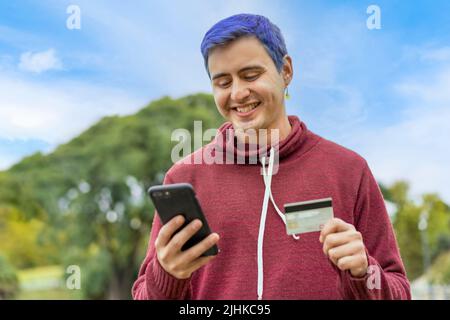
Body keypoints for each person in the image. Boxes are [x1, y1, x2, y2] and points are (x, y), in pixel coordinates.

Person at [132, 13, 411, 300]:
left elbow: (400, 291)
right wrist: (167, 275)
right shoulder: (185, 176)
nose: (239, 93)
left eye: (251, 75)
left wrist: (364, 273)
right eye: (223, 82)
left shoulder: (349, 170)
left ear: (286, 71)